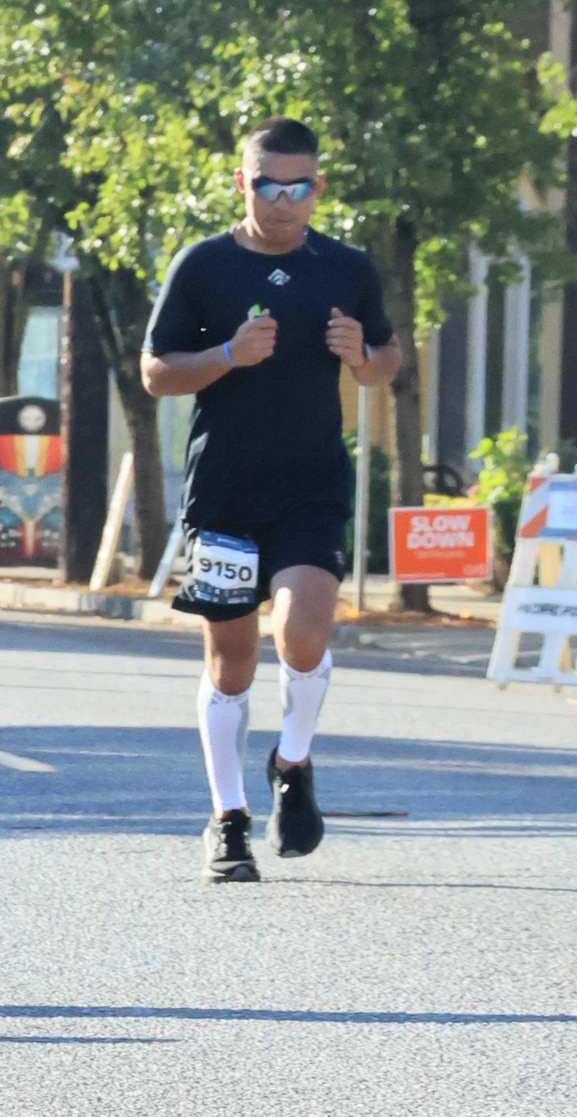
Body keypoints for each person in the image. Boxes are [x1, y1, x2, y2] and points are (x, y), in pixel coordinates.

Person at [141, 119, 400, 880]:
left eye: (299, 187)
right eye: (268, 186)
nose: (283, 201)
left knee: (303, 636)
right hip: (224, 489)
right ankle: (228, 818)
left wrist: (363, 358)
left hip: (310, 486)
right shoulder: (205, 265)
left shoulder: (346, 268)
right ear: (242, 183)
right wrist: (228, 354)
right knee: (231, 662)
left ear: (318, 187)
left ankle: (293, 762)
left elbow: (389, 356)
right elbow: (156, 372)